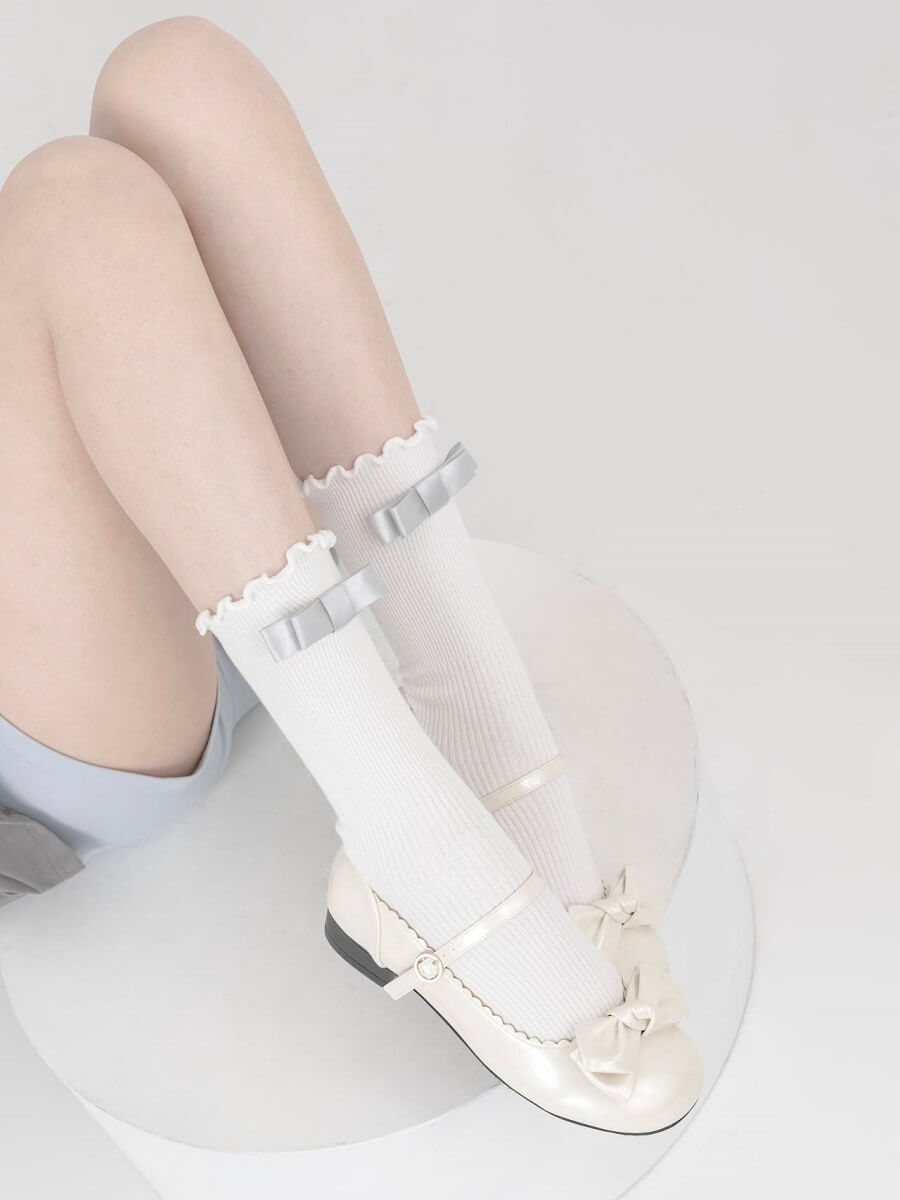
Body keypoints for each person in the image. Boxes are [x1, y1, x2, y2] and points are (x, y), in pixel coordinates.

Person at [0, 17, 700, 1132]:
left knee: (176, 76)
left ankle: (485, 726)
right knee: (67, 207)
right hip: (55, 725)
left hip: (214, 553)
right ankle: (409, 835)